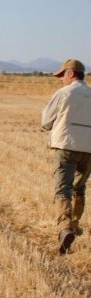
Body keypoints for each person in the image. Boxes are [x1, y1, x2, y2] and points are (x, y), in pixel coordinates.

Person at [41, 59, 91, 254]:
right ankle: (75, 226)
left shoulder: (64, 93)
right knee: (80, 189)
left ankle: (64, 228)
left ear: (70, 74)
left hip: (66, 146)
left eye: (62, 75)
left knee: (63, 189)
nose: (61, 79)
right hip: (89, 149)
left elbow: (46, 120)